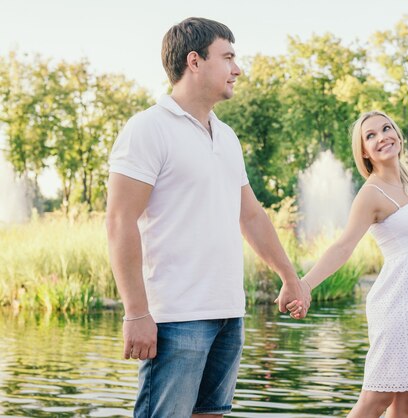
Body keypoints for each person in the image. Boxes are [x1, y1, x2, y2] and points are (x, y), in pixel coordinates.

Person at [106, 17, 309, 417]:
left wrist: (291, 278)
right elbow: (118, 221)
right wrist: (136, 312)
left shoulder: (227, 136)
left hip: (228, 312)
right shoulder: (148, 128)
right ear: (194, 61)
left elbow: (250, 216)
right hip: (176, 317)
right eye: (228, 56)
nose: (237, 68)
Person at [288, 110, 408, 418]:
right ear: (363, 151)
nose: (382, 137)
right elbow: (343, 245)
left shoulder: (407, 185)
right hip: (400, 307)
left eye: (386, 128)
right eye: (371, 135)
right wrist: (304, 285)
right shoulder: (371, 193)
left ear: (398, 134)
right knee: (376, 399)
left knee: (407, 402)